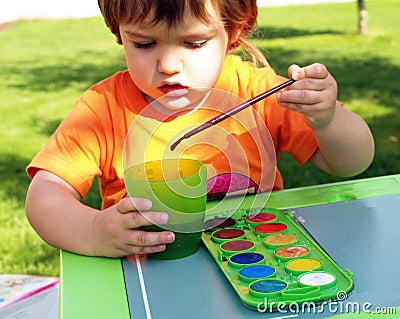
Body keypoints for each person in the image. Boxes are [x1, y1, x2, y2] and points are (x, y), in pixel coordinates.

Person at [25, 0, 374, 258]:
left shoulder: (253, 92)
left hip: (261, 266)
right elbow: (45, 196)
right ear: (120, 33)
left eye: (193, 43)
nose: (168, 65)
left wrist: (326, 120)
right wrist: (94, 231)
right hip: (147, 280)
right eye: (144, 44)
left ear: (232, 33)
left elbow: (351, 163)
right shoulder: (102, 109)